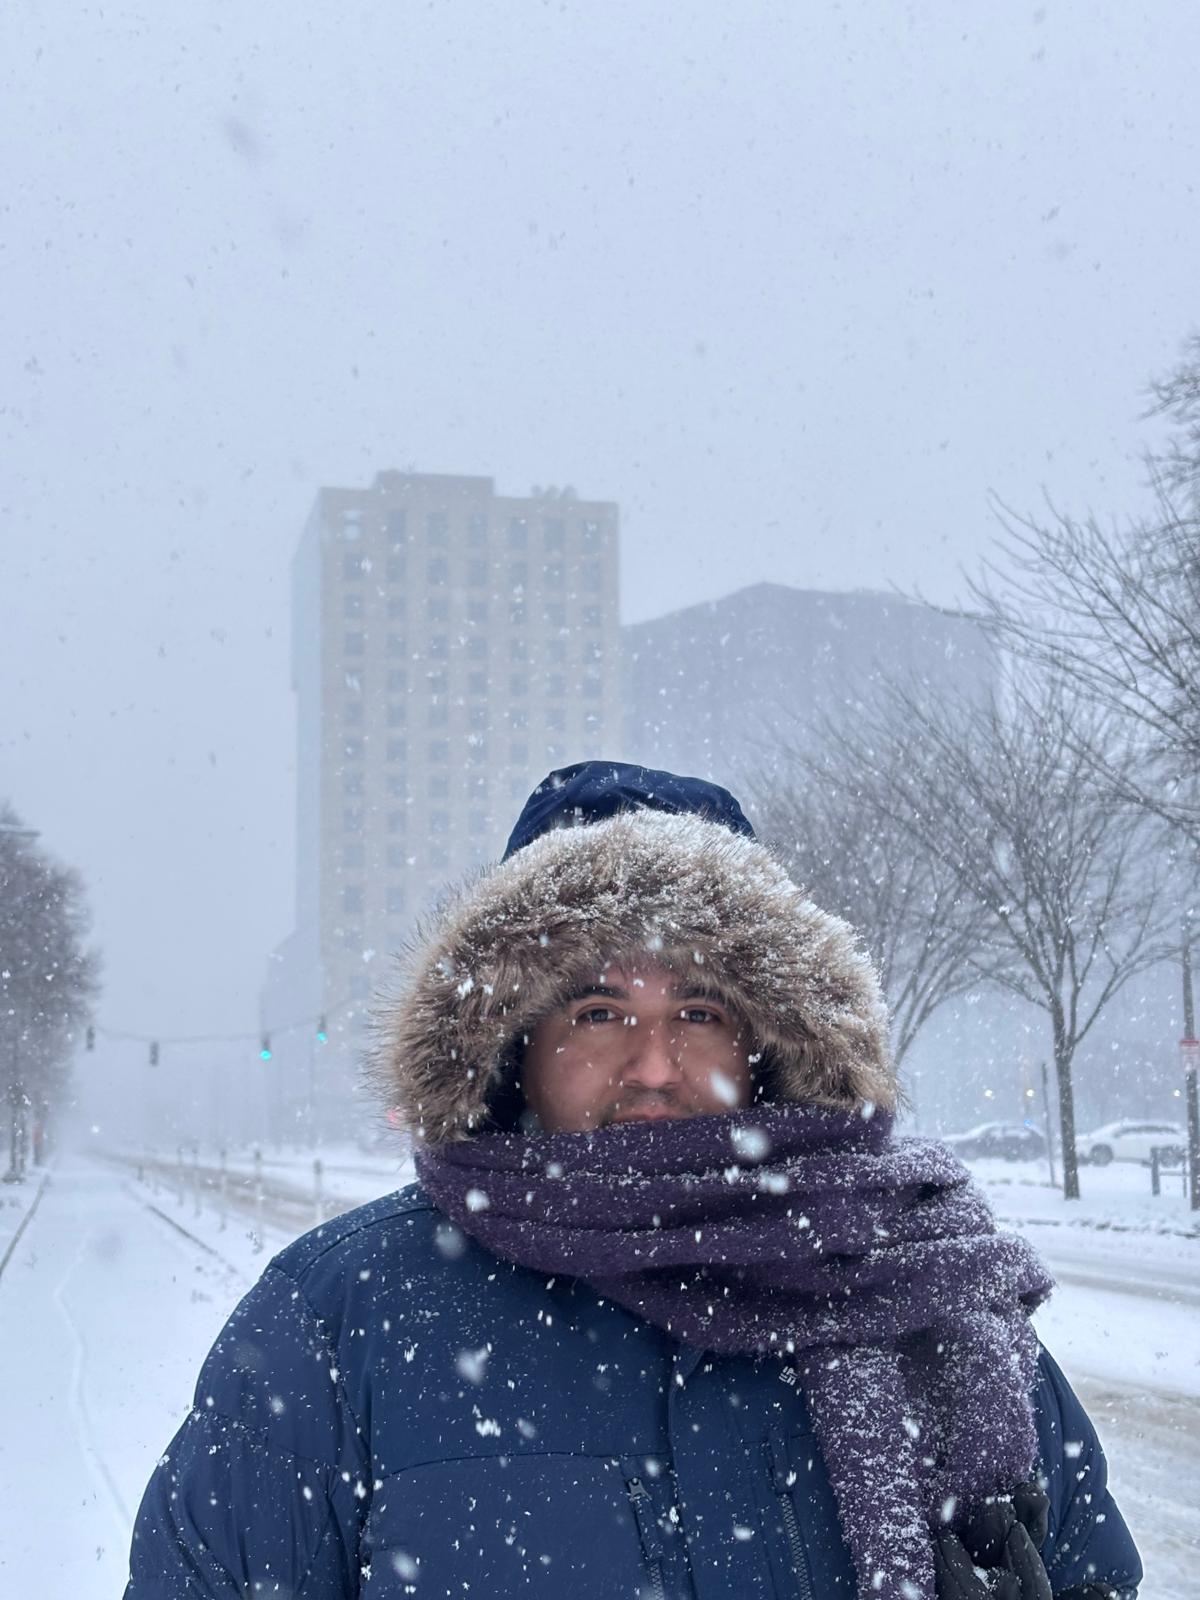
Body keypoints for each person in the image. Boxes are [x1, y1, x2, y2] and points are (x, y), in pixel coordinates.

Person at [124, 761, 1142, 1599]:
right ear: (513, 1040)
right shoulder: (339, 1320)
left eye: (700, 1010)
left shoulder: (923, 1293)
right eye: (599, 1013)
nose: (654, 1063)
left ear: (769, 1042)